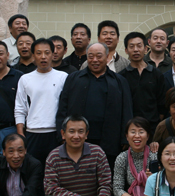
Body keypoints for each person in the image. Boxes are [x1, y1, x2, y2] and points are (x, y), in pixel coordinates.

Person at [57, 42, 133, 170]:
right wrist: (61, 135)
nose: (95, 60)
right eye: (91, 56)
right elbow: (62, 107)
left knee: (106, 173)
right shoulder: (73, 78)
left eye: (99, 56)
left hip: (110, 139)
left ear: (107, 56)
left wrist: (125, 138)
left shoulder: (119, 81)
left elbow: (127, 111)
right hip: (78, 138)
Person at [14, 38, 69, 164]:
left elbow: (67, 106)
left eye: (47, 53)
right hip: (32, 132)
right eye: (39, 53)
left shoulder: (63, 77)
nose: (43, 57)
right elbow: (20, 108)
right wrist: (21, 133)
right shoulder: (25, 79)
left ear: (52, 54)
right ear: (33, 56)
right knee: (33, 169)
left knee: (56, 168)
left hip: (56, 133)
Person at [119, 32, 168, 130]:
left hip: (152, 127)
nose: (135, 50)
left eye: (139, 46)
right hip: (130, 127)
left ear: (145, 49)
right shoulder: (121, 76)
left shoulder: (156, 74)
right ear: (126, 50)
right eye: (131, 46)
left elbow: (162, 103)